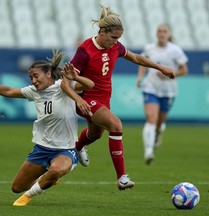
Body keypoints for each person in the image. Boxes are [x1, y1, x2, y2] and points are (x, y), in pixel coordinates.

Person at [61, 4, 175, 190]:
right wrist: (79, 100)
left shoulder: (115, 46)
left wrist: (161, 67)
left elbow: (137, 58)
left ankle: (77, 147)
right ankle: (122, 177)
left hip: (104, 98)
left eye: (118, 39)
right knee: (116, 125)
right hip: (87, 97)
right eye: (113, 37)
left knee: (95, 134)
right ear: (102, 31)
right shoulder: (85, 51)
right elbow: (66, 83)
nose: (115, 42)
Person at [0, 50, 94, 206]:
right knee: (17, 187)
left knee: (56, 170)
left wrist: (75, 77)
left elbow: (90, 84)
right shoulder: (34, 92)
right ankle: (48, 179)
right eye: (31, 77)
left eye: (36, 76)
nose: (33, 80)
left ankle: (29, 195)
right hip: (42, 149)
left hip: (65, 149)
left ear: (49, 74)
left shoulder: (63, 86)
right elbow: (9, 91)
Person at [136, 24, 188, 165]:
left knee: (159, 123)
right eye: (159, 31)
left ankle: (158, 132)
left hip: (168, 91)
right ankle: (148, 152)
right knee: (151, 119)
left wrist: (170, 73)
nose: (161, 34)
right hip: (151, 87)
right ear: (156, 33)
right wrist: (140, 77)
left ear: (169, 34)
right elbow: (142, 62)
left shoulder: (175, 50)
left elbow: (184, 70)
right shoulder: (149, 48)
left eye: (164, 31)